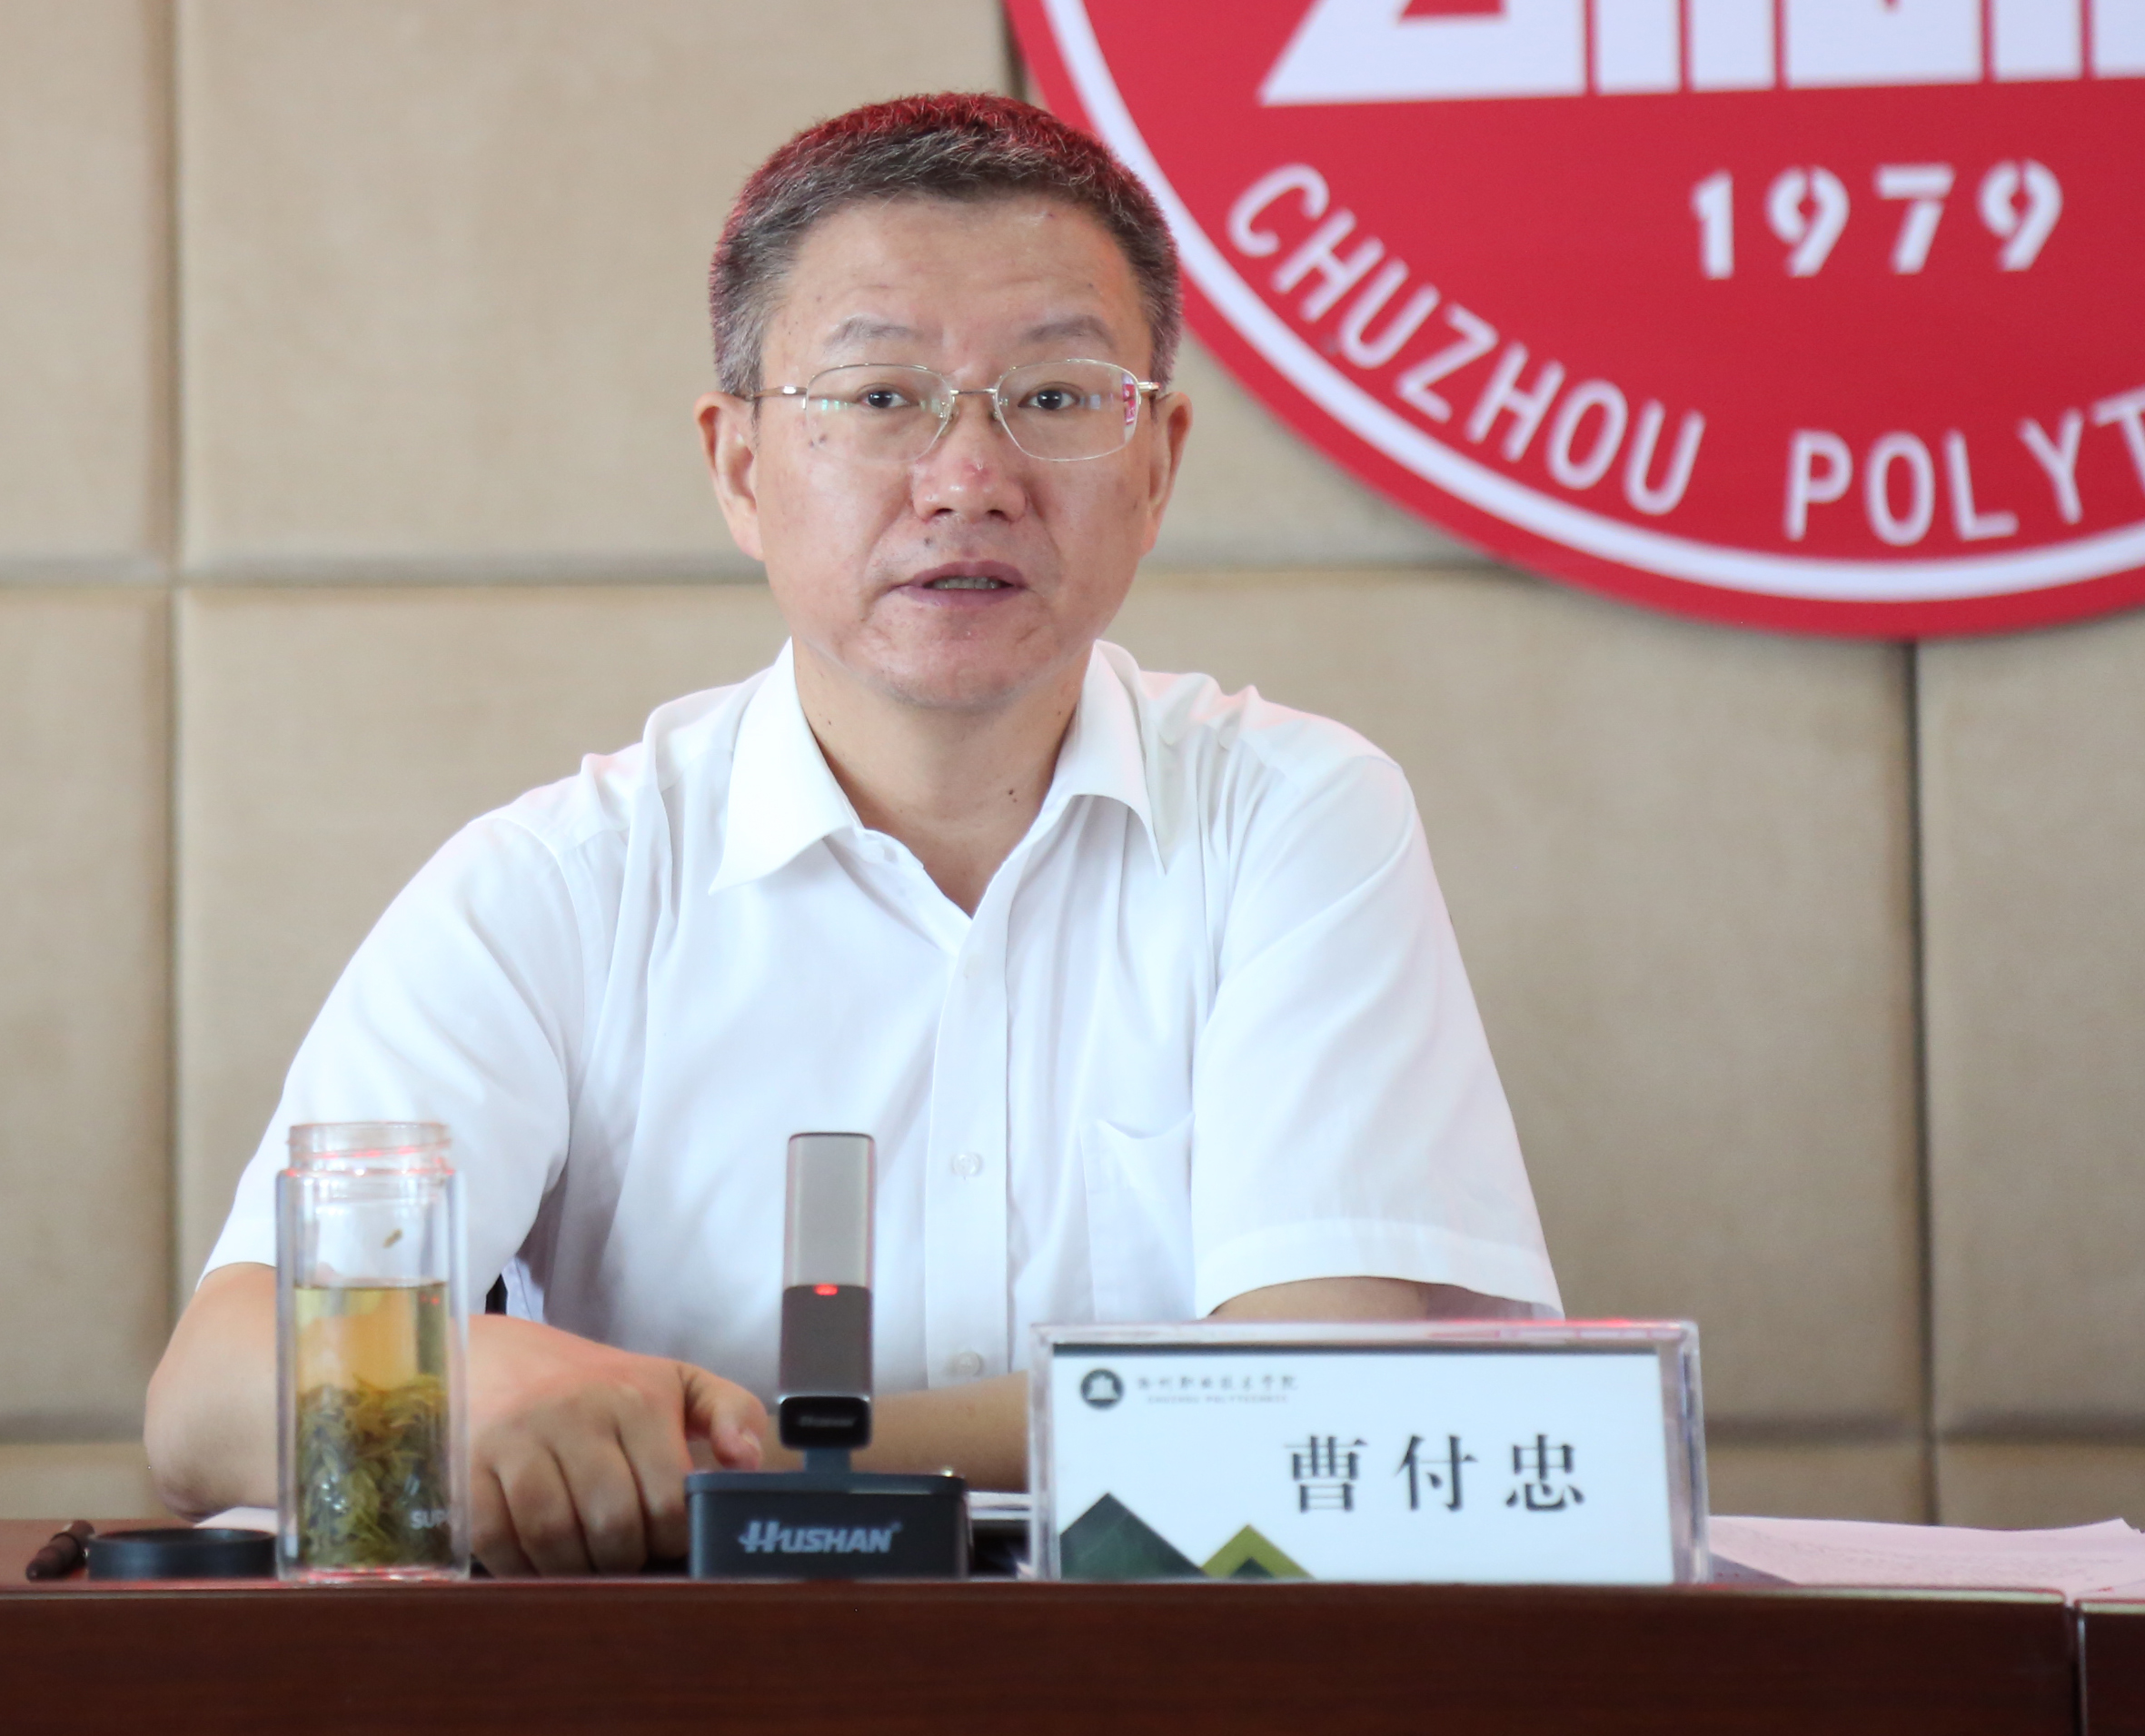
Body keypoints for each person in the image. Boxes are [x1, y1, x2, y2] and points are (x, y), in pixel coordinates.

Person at [144, 93, 1557, 1575]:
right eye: (879, 398)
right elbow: (206, 1402)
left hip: (1167, 1673)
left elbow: (1315, 1400)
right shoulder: (556, 887)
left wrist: (727, 1457)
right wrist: (480, 1384)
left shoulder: (1291, 817)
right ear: (739, 468)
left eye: (1056, 398)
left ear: (1156, 466)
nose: (968, 479)